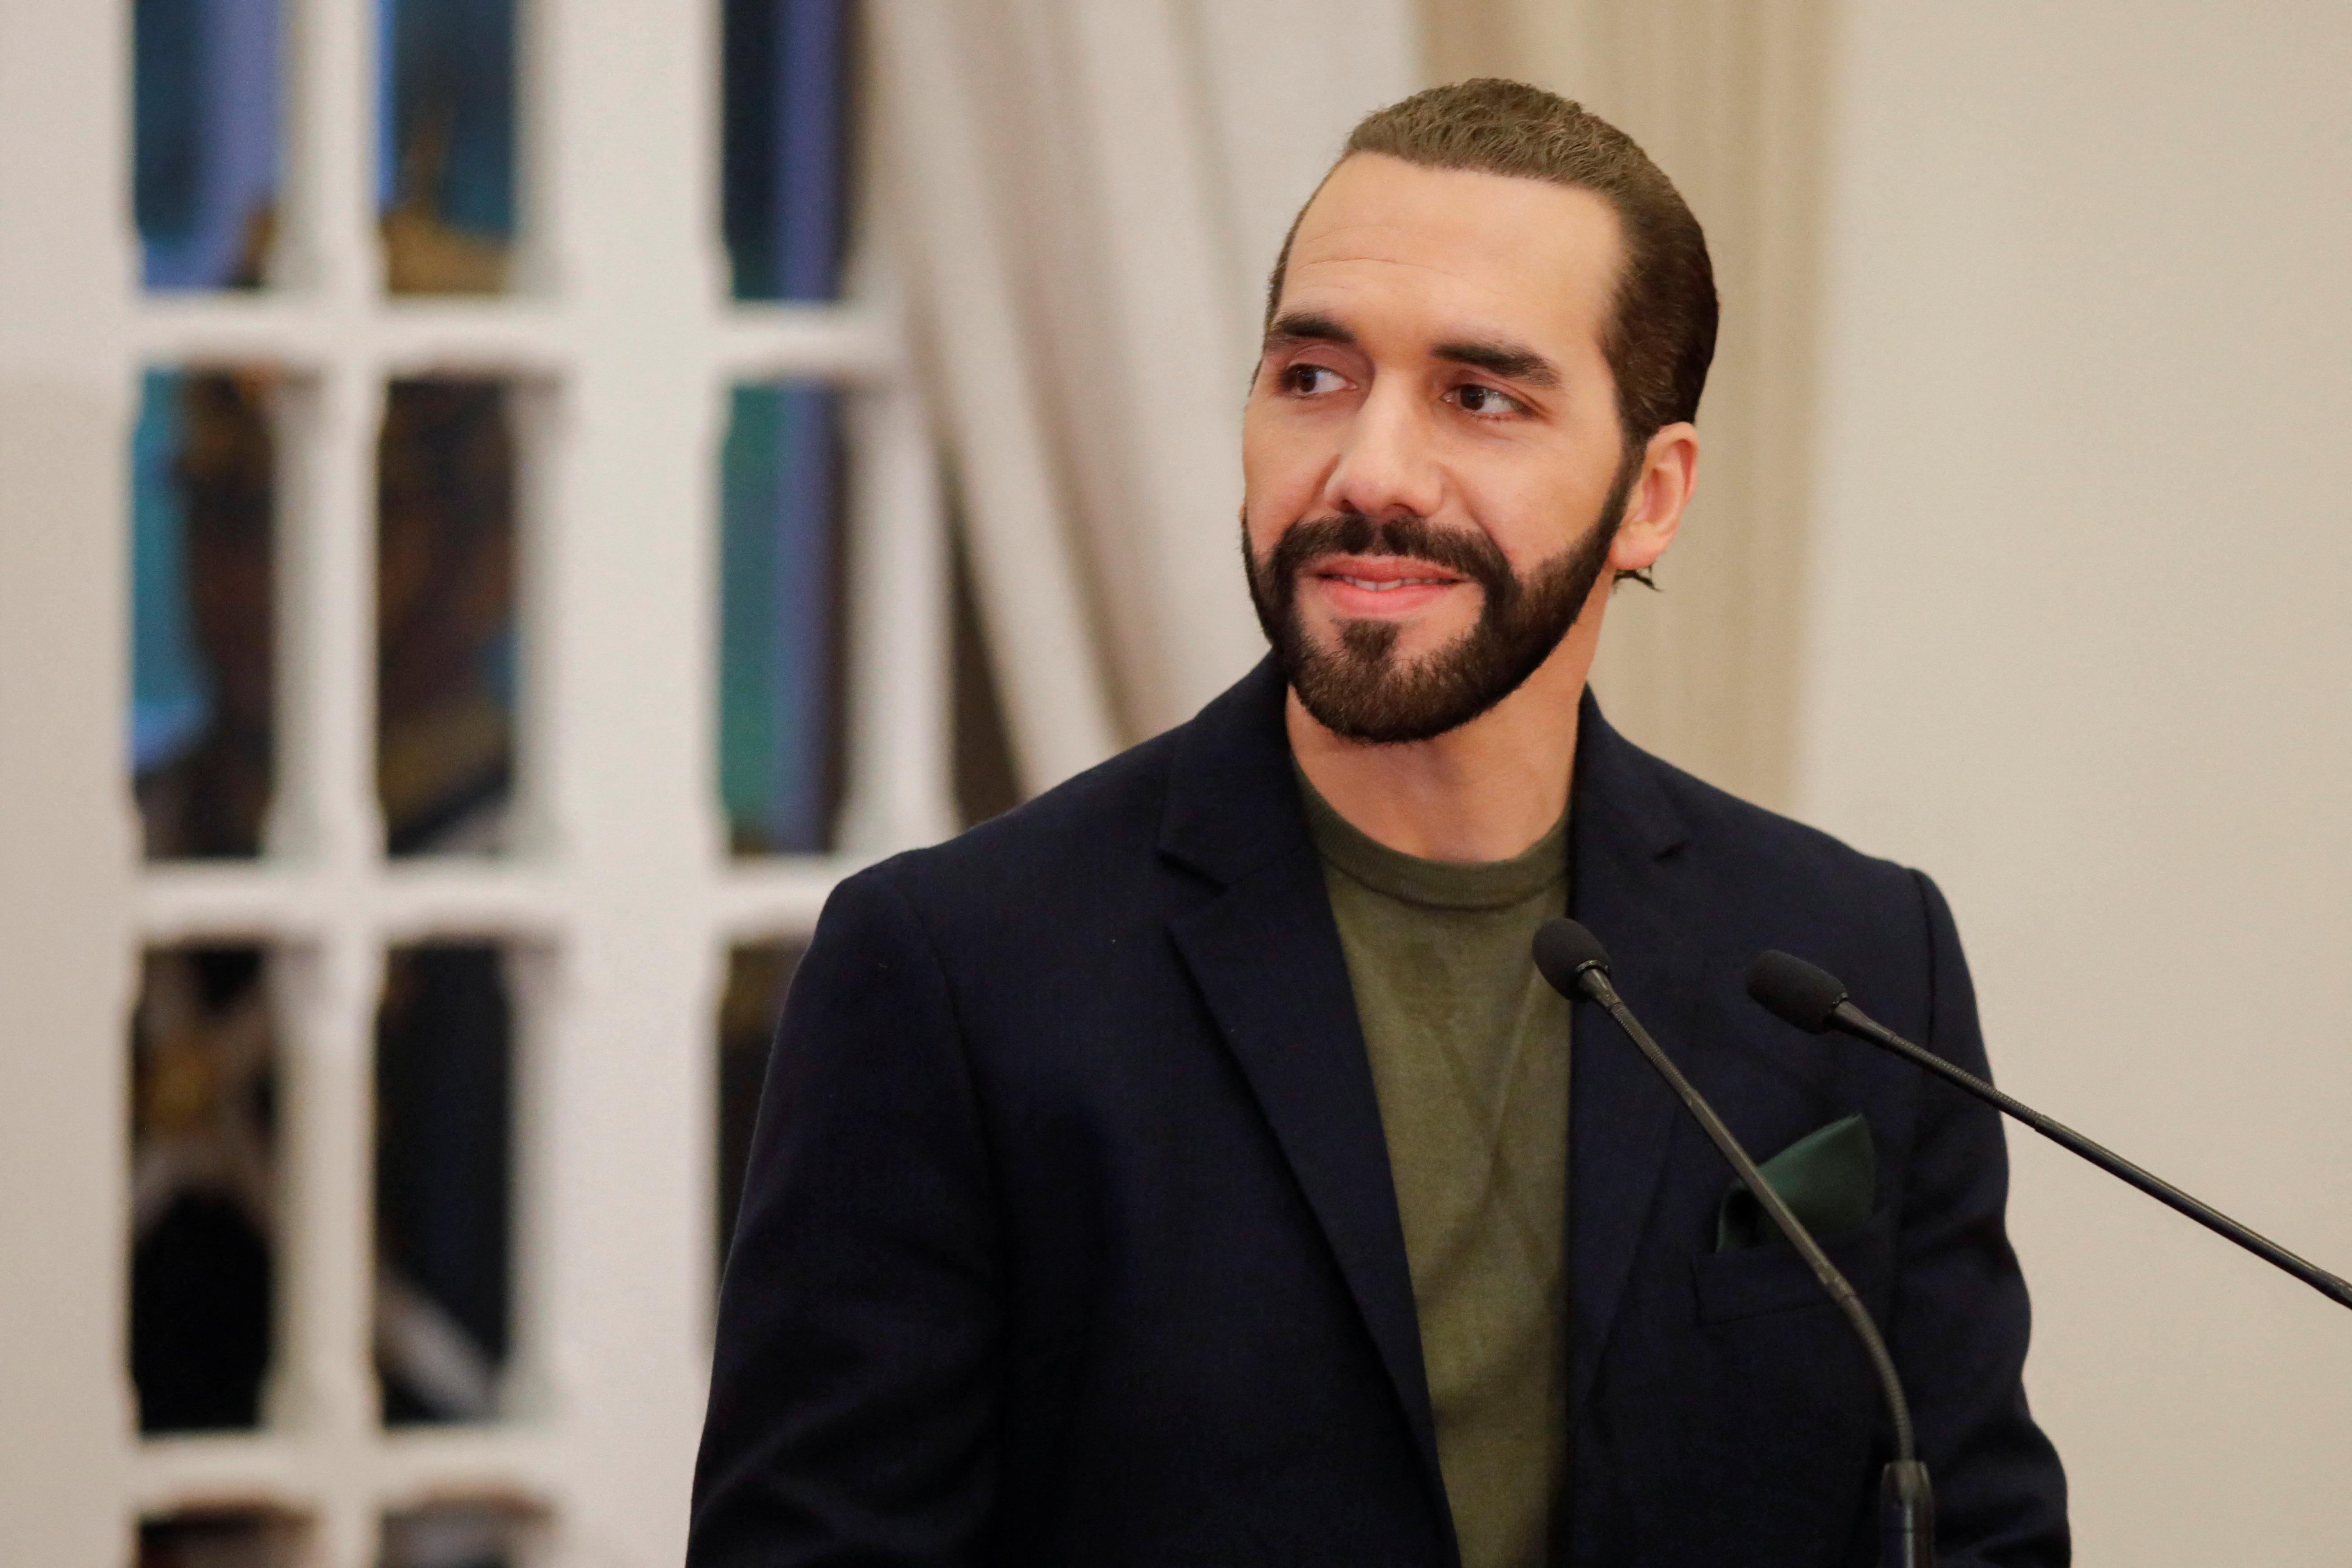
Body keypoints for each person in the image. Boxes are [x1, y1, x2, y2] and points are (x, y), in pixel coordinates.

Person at [690, 80, 2069, 1566]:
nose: (1369, 473)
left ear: (1650, 496)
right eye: (1313, 376)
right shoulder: (954, 969)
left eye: (1481, 397)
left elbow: (1977, 1527)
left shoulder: (1857, 965)